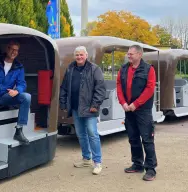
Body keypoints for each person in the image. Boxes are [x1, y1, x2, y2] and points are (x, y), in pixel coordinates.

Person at [59, 46, 106, 175]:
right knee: (81, 134)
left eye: (81, 55)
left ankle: (97, 162)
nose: (79, 57)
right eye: (77, 55)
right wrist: (63, 103)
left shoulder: (94, 69)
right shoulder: (70, 68)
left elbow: (100, 89)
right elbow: (64, 87)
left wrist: (95, 105)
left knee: (92, 133)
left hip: (90, 108)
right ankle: (86, 159)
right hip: (75, 108)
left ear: (86, 55)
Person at [116, 45, 158, 181]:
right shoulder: (123, 69)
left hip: (143, 111)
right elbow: (118, 86)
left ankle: (150, 168)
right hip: (128, 109)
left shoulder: (149, 69)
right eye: (128, 54)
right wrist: (123, 103)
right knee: (133, 138)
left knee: (147, 139)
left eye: (131, 54)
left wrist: (136, 104)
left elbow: (150, 88)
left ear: (140, 54)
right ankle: (137, 164)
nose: (129, 56)